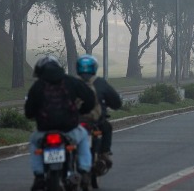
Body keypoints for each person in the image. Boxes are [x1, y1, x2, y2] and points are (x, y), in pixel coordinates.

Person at [25, 55, 96, 191]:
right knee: (83, 139)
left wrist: (36, 114)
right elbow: (90, 98)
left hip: (44, 131)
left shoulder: (37, 86)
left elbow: (28, 111)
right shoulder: (71, 81)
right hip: (70, 130)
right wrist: (82, 110)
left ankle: (39, 175)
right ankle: (84, 170)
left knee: (34, 142)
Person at [76, 54, 123, 170]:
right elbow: (116, 102)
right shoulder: (100, 82)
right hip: (95, 121)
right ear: (95, 68)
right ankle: (104, 153)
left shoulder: (72, 82)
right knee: (107, 128)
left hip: (75, 121)